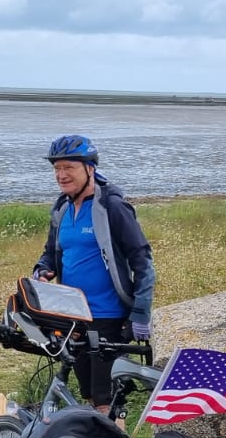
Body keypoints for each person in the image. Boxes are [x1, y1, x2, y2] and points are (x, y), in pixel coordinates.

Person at [31, 134, 156, 416]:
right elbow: (51, 252)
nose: (61, 175)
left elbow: (143, 260)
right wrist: (42, 270)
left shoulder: (111, 206)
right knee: (89, 394)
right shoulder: (62, 208)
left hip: (108, 318)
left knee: (108, 402)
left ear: (90, 168)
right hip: (74, 317)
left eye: (68, 168)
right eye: (56, 169)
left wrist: (140, 313)